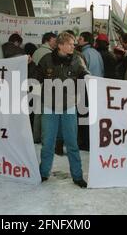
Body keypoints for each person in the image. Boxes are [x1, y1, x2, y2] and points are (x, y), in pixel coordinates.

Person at [35, 32, 89, 188]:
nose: (74, 46)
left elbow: (85, 74)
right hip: (49, 107)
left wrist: (89, 78)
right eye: (70, 43)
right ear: (60, 45)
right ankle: (43, 173)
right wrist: (28, 64)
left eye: (74, 44)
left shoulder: (77, 59)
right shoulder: (46, 60)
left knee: (72, 143)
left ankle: (77, 176)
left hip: (69, 107)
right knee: (47, 143)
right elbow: (35, 77)